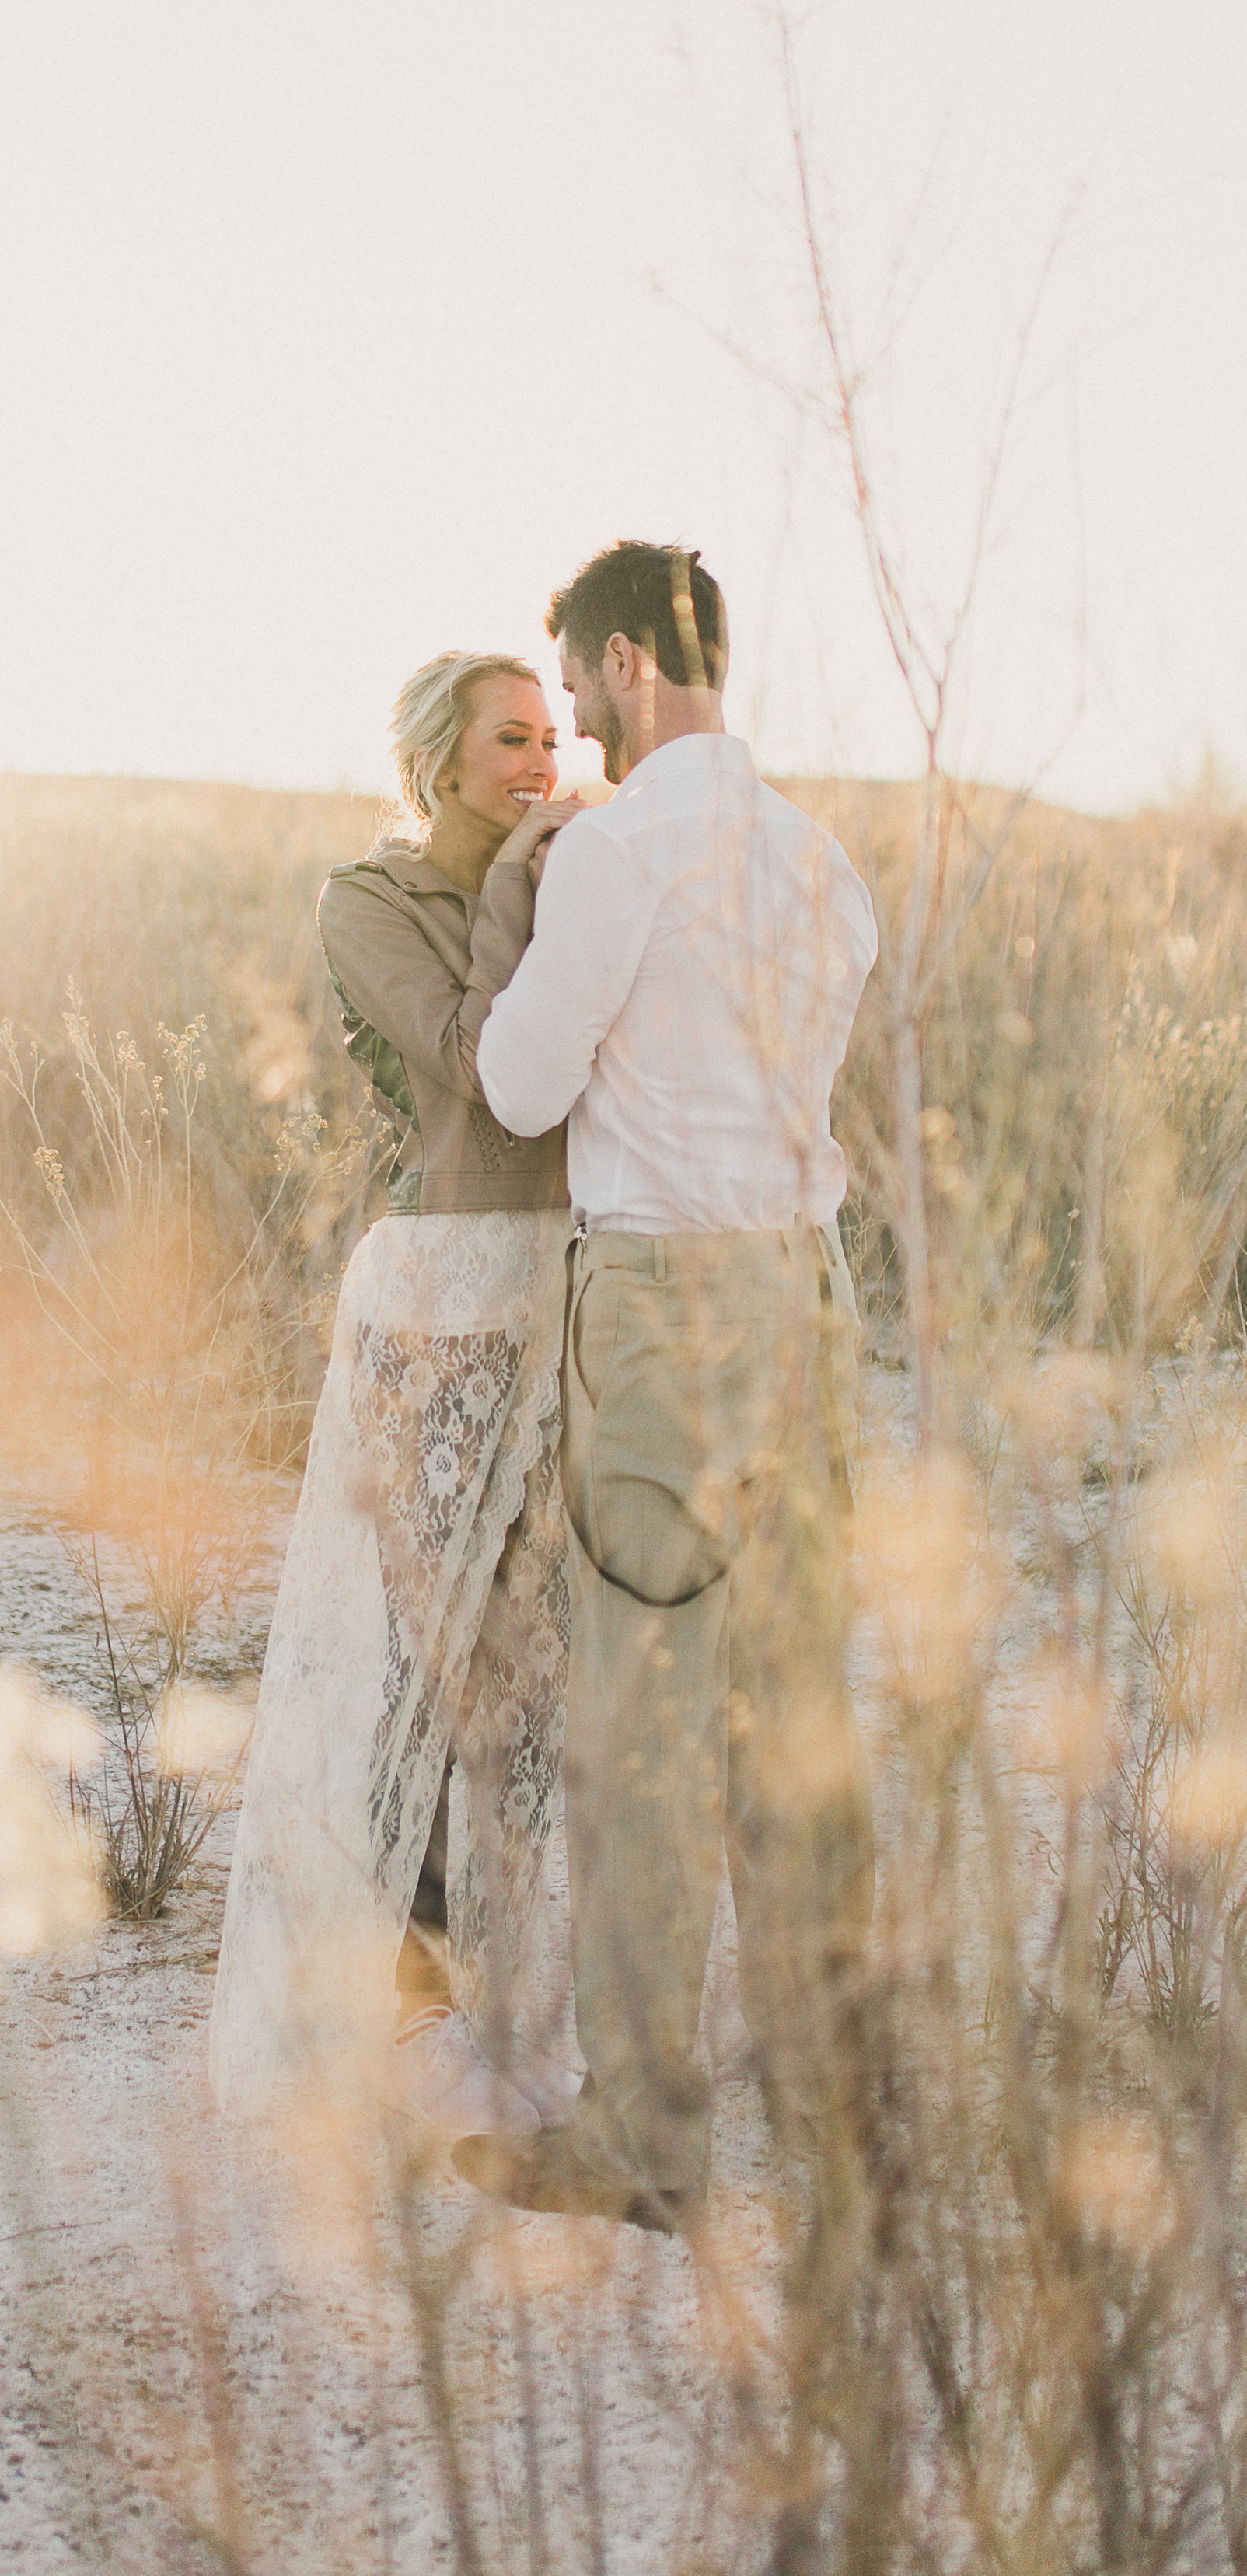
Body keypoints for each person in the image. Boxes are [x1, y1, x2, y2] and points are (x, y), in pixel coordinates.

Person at [456, 543, 878, 2225]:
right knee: (794, 1715)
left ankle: (642, 2137)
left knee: (642, 1726)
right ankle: (834, 2103)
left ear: (627, 660)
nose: (573, 730)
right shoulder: (818, 861)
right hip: (802, 1300)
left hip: (658, 1316)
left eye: (574, 695)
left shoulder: (617, 851)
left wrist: (533, 888)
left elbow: (514, 1086)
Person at [209, 651, 583, 2139]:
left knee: (523, 1671)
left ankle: (489, 2003)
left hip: (567, 1295)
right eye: (510, 737)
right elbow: (479, 1071)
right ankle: (400, 2011)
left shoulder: (577, 884)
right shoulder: (374, 902)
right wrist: (521, 900)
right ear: (436, 759)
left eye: (551, 734)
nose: (540, 761)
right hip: (441, 1301)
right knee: (414, 1660)